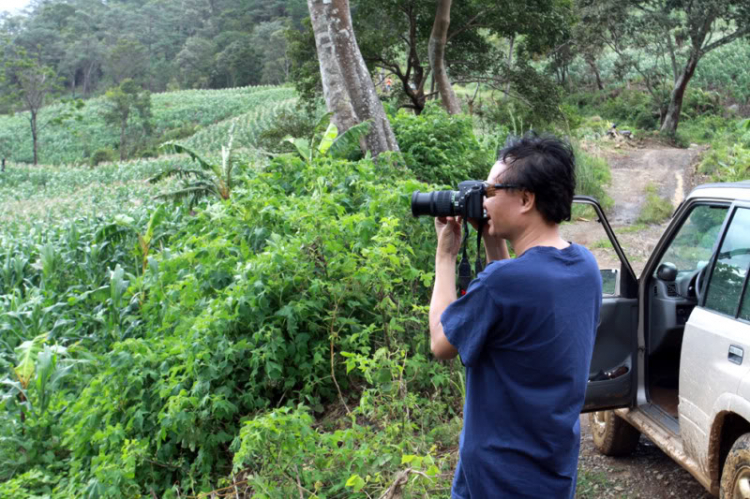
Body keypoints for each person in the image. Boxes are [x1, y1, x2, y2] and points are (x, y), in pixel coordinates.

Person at [428, 133, 602, 498]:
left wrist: (445, 256)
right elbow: (518, 297)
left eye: (490, 191)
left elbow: (441, 343)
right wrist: (493, 239)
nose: (484, 201)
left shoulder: (502, 283)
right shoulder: (584, 265)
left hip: (496, 476)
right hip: (551, 469)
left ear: (525, 198)